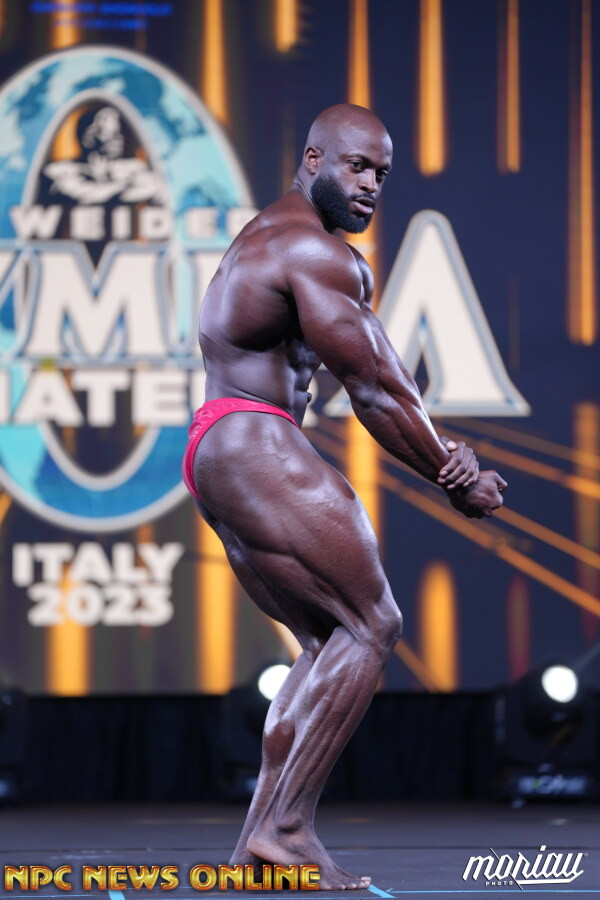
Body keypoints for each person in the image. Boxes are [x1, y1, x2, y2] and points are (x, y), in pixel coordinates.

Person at [182, 104, 507, 890]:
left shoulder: (269, 235)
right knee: (373, 624)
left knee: (330, 641)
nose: (370, 185)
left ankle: (258, 850)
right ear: (313, 159)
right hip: (253, 439)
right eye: (357, 166)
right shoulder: (313, 250)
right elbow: (377, 387)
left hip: (216, 445)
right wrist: (454, 473)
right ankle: (287, 830)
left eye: (382, 174)